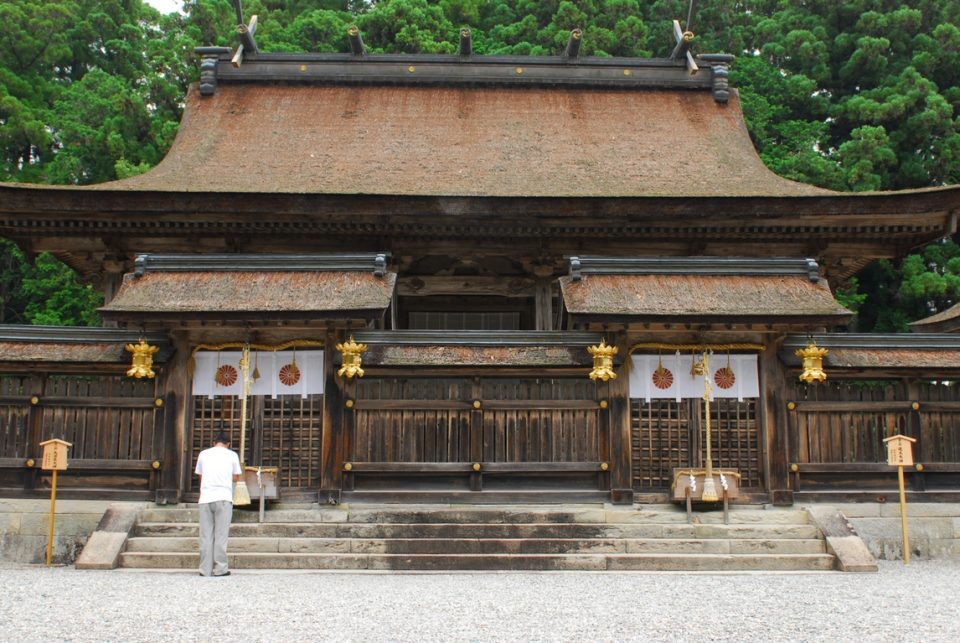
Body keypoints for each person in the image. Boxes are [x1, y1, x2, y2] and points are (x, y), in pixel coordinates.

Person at [194, 432, 242, 577]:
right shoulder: (232, 455)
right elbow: (235, 477)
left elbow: (200, 475)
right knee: (221, 535)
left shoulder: (203, 454)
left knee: (206, 535)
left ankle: (205, 569)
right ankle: (220, 568)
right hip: (223, 497)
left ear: (214, 442)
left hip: (206, 498)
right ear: (228, 443)